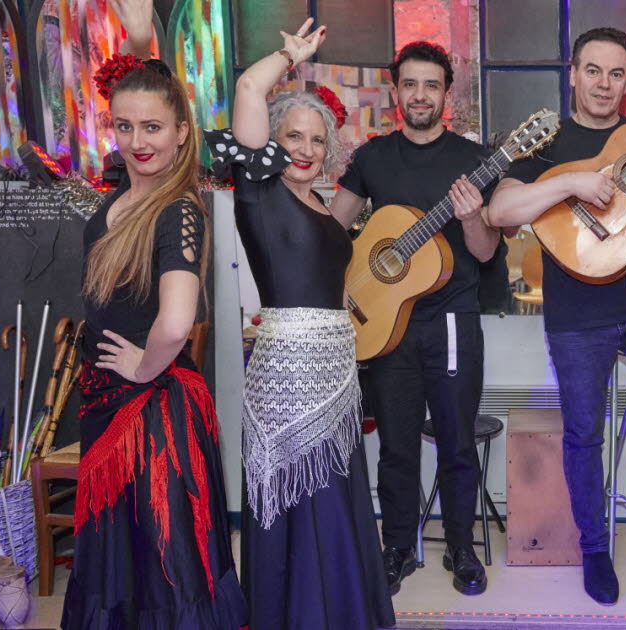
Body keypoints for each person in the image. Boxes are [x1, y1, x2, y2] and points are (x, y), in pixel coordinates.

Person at [485, 27, 626, 605]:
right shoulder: (549, 144)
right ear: (573, 75)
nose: (605, 84)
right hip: (577, 315)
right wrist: (575, 182)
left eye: (617, 73)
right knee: (583, 435)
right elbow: (500, 209)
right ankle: (595, 548)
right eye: (594, 71)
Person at [205, 20, 395, 629]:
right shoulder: (261, 191)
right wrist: (288, 58)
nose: (307, 149)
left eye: (317, 139)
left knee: (336, 505)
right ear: (272, 143)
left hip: (335, 377)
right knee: (297, 507)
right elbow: (246, 91)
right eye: (294, 137)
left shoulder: (323, 205)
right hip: (287, 376)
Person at [62, 47, 244, 630]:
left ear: (181, 131)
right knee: (128, 563)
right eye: (124, 126)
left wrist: (143, 367)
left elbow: (176, 319)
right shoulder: (122, 195)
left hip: (153, 417)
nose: (138, 141)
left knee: (166, 565)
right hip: (107, 408)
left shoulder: (177, 210)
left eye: (153, 127)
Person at [326, 41, 498, 597]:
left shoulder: (474, 161)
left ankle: (461, 550)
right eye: (410, 84)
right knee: (397, 446)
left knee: (456, 443)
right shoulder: (373, 158)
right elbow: (332, 234)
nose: (420, 95)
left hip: (451, 323)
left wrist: (472, 218)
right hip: (383, 326)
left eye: (431, 85)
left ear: (446, 93)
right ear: (396, 90)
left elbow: (487, 250)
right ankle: (398, 549)